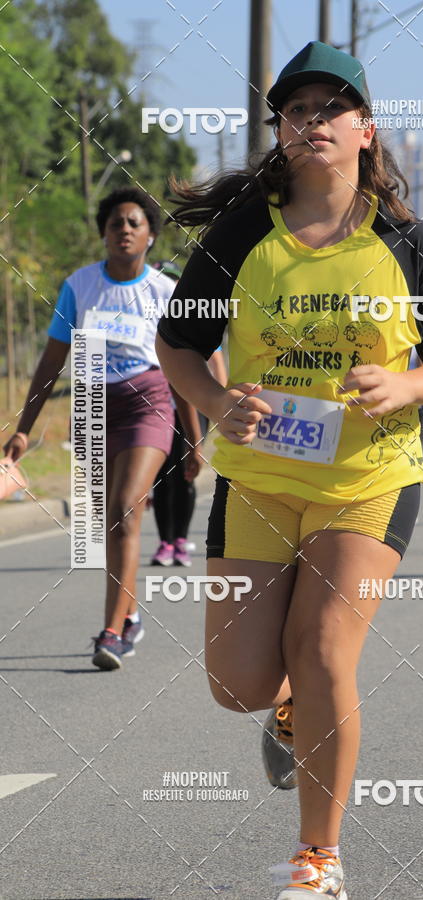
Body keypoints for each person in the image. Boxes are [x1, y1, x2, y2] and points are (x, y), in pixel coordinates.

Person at [156, 41, 423, 899]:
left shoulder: (407, 239)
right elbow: (179, 344)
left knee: (329, 648)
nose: (314, 122)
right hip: (259, 479)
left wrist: (406, 382)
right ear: (282, 131)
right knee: (239, 685)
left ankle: (318, 858)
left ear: (366, 131)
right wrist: (218, 403)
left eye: (332, 109)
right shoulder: (243, 230)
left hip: (370, 477)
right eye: (297, 110)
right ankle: (289, 705)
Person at [3, 187, 203, 670]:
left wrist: (193, 440)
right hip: (92, 405)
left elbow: (180, 369)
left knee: (124, 509)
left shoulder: (163, 292)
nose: (125, 230)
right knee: (106, 527)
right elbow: (52, 362)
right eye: (116, 223)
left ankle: (110, 632)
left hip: (148, 403)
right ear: (104, 233)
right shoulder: (79, 286)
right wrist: (22, 429)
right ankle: (129, 616)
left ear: (151, 235)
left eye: (135, 223)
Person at [149, 261, 228, 567]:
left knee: (184, 473)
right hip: (158, 405)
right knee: (161, 475)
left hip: (193, 404)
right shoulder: (152, 318)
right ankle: (165, 542)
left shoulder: (194, 318)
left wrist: (220, 403)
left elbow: (216, 363)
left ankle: (180, 540)